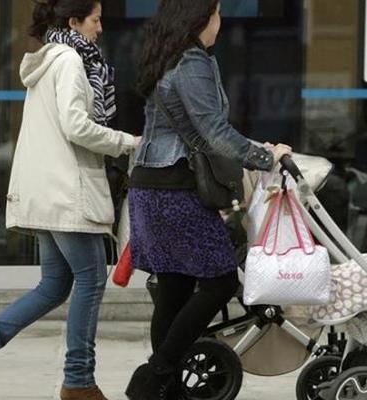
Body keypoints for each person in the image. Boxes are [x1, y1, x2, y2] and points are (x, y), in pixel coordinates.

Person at [0, 1, 139, 399]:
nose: (100, 28)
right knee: (91, 278)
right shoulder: (68, 61)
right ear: (74, 21)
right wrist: (127, 143)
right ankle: (79, 380)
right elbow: (76, 125)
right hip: (67, 193)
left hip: (49, 191)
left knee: (53, 285)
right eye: (95, 20)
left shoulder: (51, 60)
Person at [124, 0, 292, 398]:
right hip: (175, 189)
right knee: (219, 281)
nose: (220, 21)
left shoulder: (165, 56)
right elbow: (214, 131)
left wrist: (255, 147)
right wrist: (269, 157)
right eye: (217, 12)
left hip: (150, 186)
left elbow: (198, 130)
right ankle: (155, 377)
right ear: (201, 18)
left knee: (175, 289)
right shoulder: (192, 60)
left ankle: (170, 391)